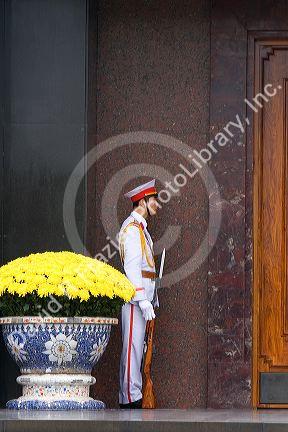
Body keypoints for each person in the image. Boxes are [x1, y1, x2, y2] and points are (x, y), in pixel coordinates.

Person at [118, 179, 159, 409]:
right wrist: (142, 299)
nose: (157, 205)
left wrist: (151, 298)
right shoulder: (132, 229)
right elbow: (132, 267)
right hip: (135, 300)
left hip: (144, 299)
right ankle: (129, 398)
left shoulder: (142, 229)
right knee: (132, 348)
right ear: (142, 201)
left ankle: (133, 394)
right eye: (154, 200)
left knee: (139, 349)